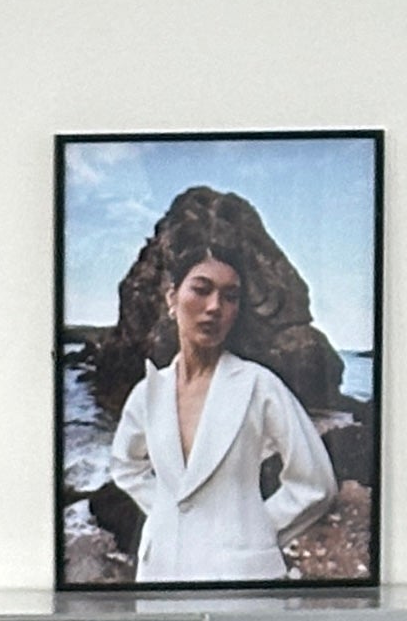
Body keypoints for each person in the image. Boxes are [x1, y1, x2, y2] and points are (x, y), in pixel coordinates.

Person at [106, 243, 340, 583]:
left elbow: (315, 483)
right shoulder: (149, 392)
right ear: (172, 298)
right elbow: (126, 464)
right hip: (161, 570)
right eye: (201, 290)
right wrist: (166, 510)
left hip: (241, 575)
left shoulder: (259, 385)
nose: (215, 306)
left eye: (230, 297)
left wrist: (255, 529)